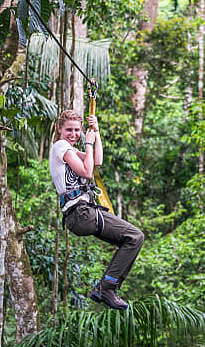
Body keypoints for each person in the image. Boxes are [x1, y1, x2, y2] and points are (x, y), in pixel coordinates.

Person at [49, 110, 144, 310]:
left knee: (130, 240)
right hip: (81, 213)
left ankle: (109, 287)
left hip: (82, 214)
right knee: (135, 236)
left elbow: (96, 161)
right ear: (59, 129)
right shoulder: (60, 146)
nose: (73, 134)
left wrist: (96, 131)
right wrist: (88, 143)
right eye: (69, 130)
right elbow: (86, 171)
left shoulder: (71, 150)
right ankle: (106, 287)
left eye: (77, 130)